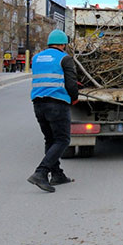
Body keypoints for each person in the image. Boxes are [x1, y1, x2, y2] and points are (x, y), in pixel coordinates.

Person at [26, 29, 79, 193]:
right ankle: (41, 173)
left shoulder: (36, 58)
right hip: (57, 104)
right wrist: (74, 97)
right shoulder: (65, 58)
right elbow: (71, 83)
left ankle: (57, 175)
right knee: (62, 140)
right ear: (63, 44)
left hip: (38, 104)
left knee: (50, 140)